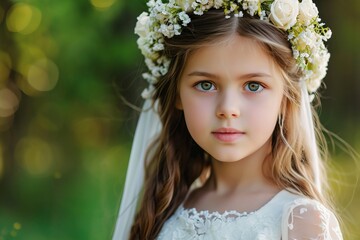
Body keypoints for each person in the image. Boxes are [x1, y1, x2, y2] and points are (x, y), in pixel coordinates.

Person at [113, 0, 343, 239]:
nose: (227, 109)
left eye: (254, 86)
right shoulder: (163, 209)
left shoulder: (302, 221)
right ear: (177, 94)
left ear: (286, 100)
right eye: (205, 85)